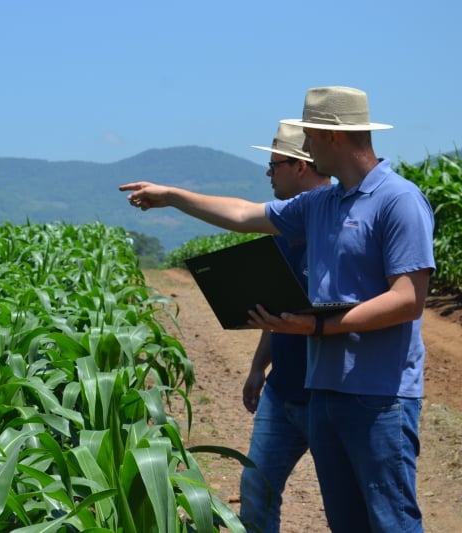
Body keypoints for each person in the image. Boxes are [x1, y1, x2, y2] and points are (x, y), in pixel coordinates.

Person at [120, 86, 435, 532]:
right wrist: (172, 196)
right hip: (324, 389)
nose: (302, 147)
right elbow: (245, 214)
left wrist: (318, 327)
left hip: (380, 394)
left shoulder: (398, 200)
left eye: (308, 135)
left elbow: (407, 299)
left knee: (390, 521)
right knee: (346, 522)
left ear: (332, 137)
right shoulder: (320, 204)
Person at [239, 123, 330, 533]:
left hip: (331, 394)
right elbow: (276, 309)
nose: (269, 174)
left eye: (273, 165)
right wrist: (260, 367)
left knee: (347, 506)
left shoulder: (334, 226)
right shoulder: (280, 230)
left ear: (299, 166)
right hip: (283, 389)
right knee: (256, 490)